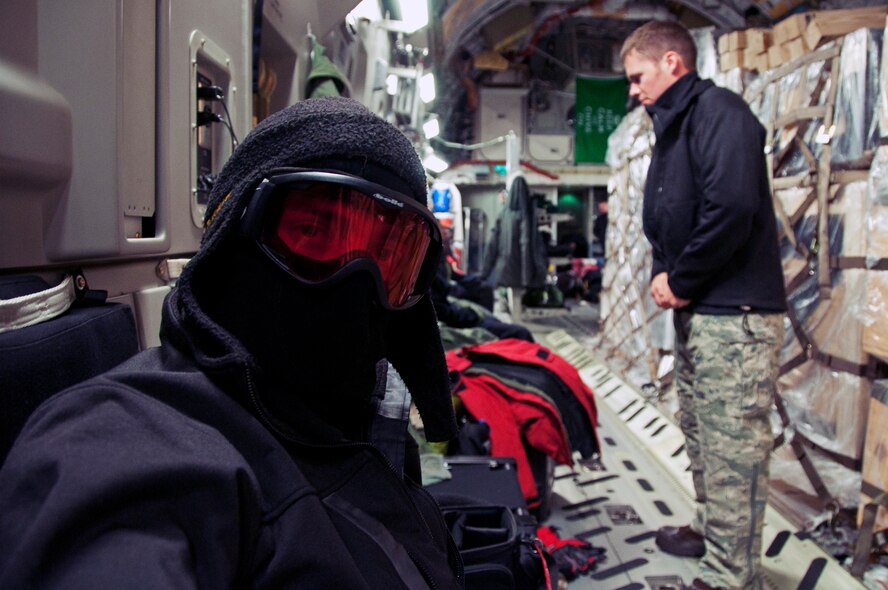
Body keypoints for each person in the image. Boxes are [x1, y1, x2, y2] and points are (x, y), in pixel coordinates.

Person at [0, 97, 463, 588]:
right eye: (313, 232)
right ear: (234, 236)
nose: (356, 280)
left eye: (391, 255)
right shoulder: (124, 436)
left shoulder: (352, 420)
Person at [621, 21, 786, 590]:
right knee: (700, 430)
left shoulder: (720, 113)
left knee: (733, 444)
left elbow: (732, 207)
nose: (634, 90)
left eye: (638, 77)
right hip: (703, 311)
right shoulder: (677, 124)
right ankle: (713, 530)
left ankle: (730, 573)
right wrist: (667, 275)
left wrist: (682, 279)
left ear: (673, 62)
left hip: (734, 314)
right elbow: (676, 212)